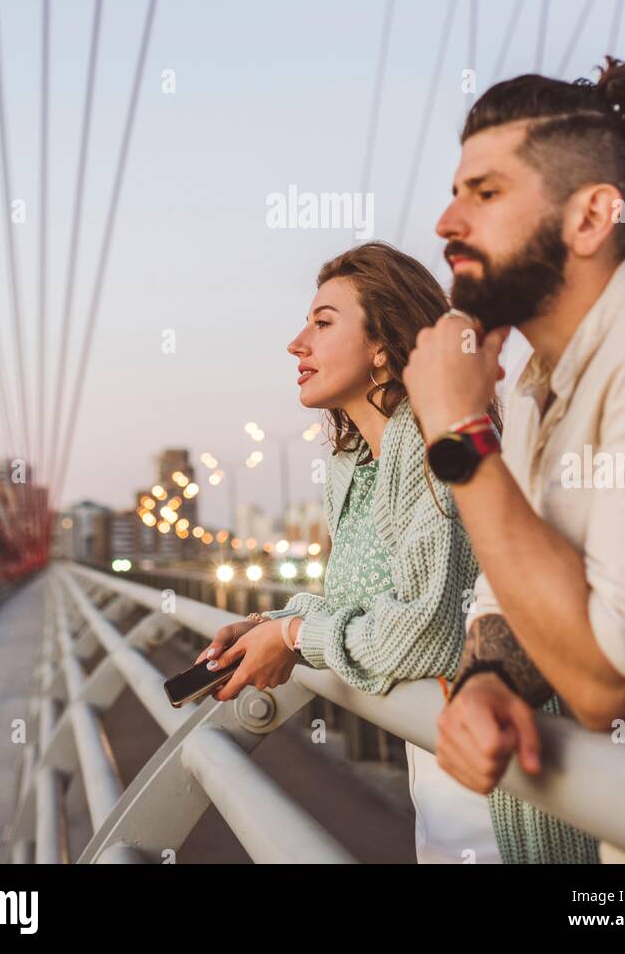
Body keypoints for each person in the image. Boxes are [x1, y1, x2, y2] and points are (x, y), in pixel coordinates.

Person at [402, 56, 625, 864]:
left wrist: (457, 426)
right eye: (457, 192)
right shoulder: (533, 392)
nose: (448, 222)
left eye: (485, 194)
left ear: (592, 217)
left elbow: (604, 683)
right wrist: (490, 683)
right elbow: (507, 604)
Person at [196, 241, 506, 862]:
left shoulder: (433, 444)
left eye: (323, 322)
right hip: (438, 763)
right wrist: (272, 623)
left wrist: (291, 639)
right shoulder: (357, 464)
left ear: (383, 348)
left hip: (500, 780)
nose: (297, 343)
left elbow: (424, 634)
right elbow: (355, 605)